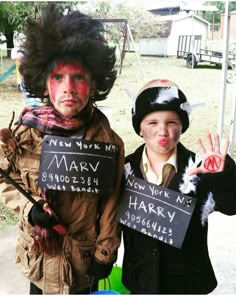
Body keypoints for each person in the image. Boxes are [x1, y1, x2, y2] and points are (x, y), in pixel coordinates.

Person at [0, 4, 124, 294]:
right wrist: (30, 209)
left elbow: (112, 204)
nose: (68, 87)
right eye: (58, 78)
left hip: (81, 264)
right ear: (44, 84)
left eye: (78, 77)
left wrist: (105, 253)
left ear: (93, 84)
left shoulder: (108, 143)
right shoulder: (23, 133)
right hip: (39, 259)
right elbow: (5, 180)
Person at [120, 78, 236, 294]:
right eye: (152, 122)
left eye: (172, 122)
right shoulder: (124, 168)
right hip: (140, 280)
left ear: (182, 126)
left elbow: (231, 205)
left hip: (187, 282)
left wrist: (224, 176)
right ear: (139, 129)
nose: (163, 130)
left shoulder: (200, 168)